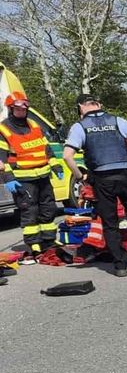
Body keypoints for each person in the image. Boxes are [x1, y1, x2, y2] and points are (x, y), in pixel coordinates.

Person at [63, 94, 127, 276]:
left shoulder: (79, 127)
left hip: (102, 178)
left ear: (81, 108)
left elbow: (67, 156)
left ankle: (120, 265)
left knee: (110, 223)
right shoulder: (117, 120)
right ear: (98, 104)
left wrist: (80, 175)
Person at [0, 91, 65, 259]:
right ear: (11, 109)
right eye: (18, 109)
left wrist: (56, 166)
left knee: (48, 208)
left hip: (43, 176)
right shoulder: (3, 129)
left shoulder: (34, 125)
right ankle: (34, 244)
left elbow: (46, 149)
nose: (21, 112)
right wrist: (8, 178)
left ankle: (49, 240)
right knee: (29, 211)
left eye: (24, 109)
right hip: (23, 179)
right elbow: (2, 158)